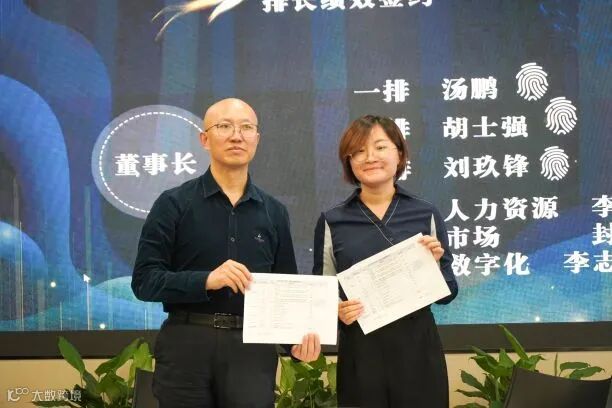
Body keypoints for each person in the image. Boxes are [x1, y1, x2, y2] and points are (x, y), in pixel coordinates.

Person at [132, 98, 320, 408]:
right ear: (204, 139)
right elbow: (144, 281)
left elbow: (284, 289)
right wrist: (206, 280)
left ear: (257, 139)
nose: (236, 136)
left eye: (246, 128)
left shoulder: (274, 212)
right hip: (186, 345)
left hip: (251, 351)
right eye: (224, 126)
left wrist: (294, 345)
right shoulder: (173, 203)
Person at [313, 115, 458, 408]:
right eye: (359, 151)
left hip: (418, 350)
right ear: (349, 161)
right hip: (361, 352)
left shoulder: (425, 213)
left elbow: (448, 292)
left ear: (399, 154)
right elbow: (322, 294)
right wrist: (337, 310)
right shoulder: (332, 220)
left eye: (380, 147)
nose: (370, 157)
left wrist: (433, 267)